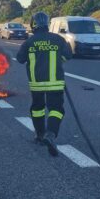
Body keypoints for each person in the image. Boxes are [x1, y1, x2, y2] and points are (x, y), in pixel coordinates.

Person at [16, 12, 72, 156]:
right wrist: (58, 61)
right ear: (47, 23)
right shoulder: (58, 39)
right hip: (55, 83)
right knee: (56, 109)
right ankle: (51, 134)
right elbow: (68, 55)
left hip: (37, 84)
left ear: (33, 25)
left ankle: (40, 135)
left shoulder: (29, 42)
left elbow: (20, 59)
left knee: (37, 109)